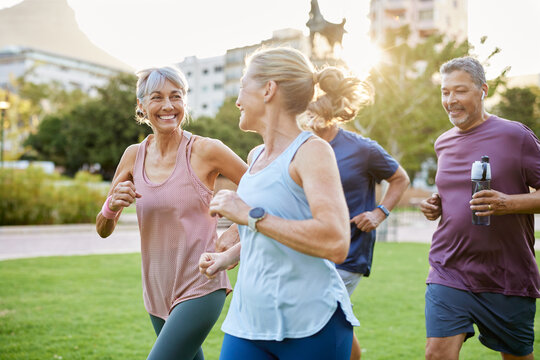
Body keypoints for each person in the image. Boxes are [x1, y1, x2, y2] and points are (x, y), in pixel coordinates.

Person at [198, 47, 359, 360]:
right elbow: (278, 222)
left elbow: (336, 241)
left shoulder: (312, 151)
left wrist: (249, 215)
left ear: (268, 89)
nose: (237, 99)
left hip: (310, 325)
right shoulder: (255, 156)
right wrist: (230, 255)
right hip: (249, 322)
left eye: (242, 86)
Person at [95, 66, 247, 360]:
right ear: (142, 106)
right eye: (157, 98)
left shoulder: (206, 150)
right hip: (155, 289)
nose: (168, 106)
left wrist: (236, 229)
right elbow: (102, 228)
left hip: (201, 282)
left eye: (175, 96)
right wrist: (111, 205)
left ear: (184, 102)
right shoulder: (132, 156)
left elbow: (261, 183)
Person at [420, 56, 540, 360]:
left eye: (459, 91)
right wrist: (438, 204)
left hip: (507, 276)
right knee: (436, 354)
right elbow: (456, 193)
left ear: (483, 90)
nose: (450, 100)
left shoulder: (516, 136)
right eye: (445, 92)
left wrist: (508, 203)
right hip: (450, 269)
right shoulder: (443, 142)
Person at [302, 68, 410, 360]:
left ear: (329, 110)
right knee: (332, 319)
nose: (306, 115)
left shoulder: (362, 149)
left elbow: (401, 178)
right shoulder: (296, 147)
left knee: (314, 320)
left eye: (311, 107)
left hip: (348, 253)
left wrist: (380, 212)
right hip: (307, 249)